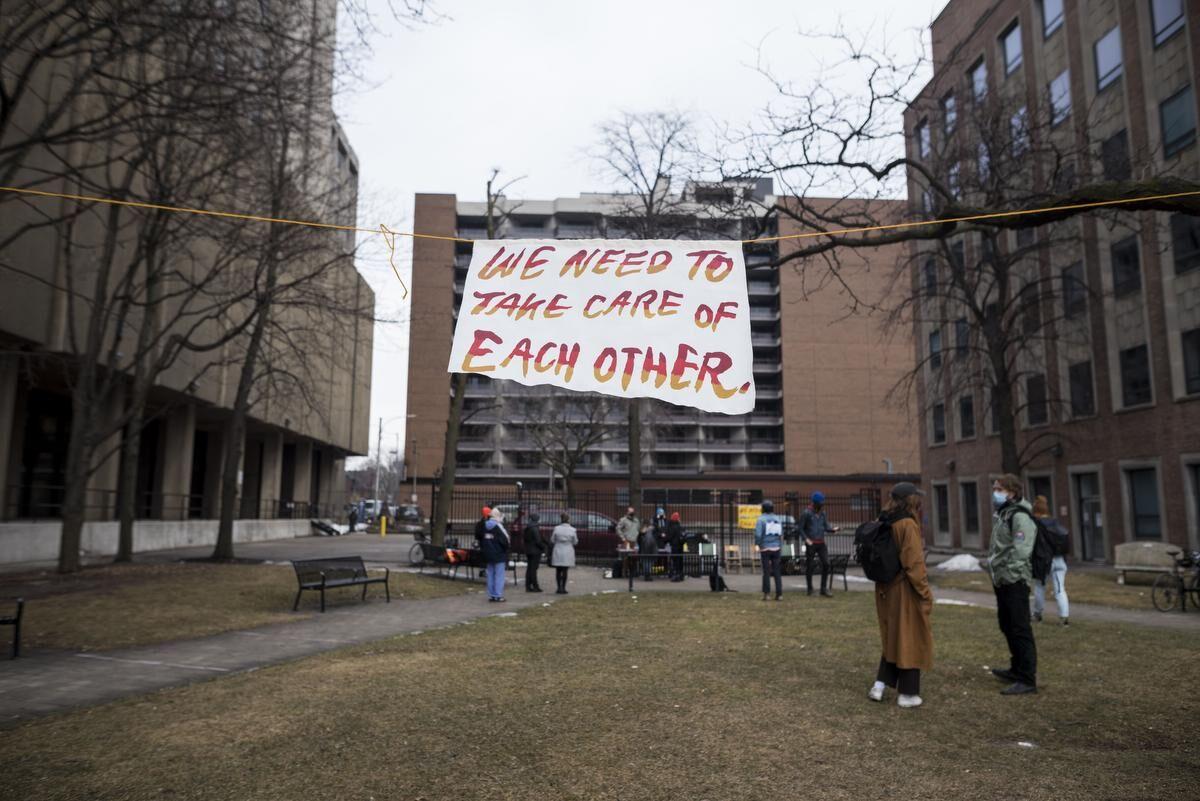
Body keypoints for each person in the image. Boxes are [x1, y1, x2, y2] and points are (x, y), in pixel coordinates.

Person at [869, 482, 933, 708]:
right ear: (911, 500)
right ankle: (908, 693)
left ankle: (879, 685)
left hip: (884, 588)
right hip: (903, 589)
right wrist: (925, 593)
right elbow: (913, 563)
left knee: (892, 636)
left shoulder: (884, 519)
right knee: (910, 637)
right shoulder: (907, 524)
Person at [988, 474, 1039, 695]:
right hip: (1002, 579)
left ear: (1012, 492)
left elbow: (1022, 549)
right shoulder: (1004, 513)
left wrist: (1010, 573)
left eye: (999, 489)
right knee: (1007, 624)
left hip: (1014, 580)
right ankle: (1016, 668)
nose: (995, 493)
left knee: (1020, 628)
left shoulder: (1020, 516)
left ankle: (1027, 678)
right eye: (994, 488)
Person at [1030, 495, 1070, 626]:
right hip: (1059, 560)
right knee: (1060, 589)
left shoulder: (1035, 524)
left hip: (1043, 561)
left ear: (1035, 511)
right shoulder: (1055, 523)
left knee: (1039, 588)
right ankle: (1064, 618)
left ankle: (1037, 615)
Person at [800, 491, 839, 597]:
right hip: (811, 543)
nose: (822, 505)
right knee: (810, 565)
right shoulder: (806, 513)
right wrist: (806, 539)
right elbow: (800, 528)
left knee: (826, 564)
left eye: (822, 503)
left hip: (821, 543)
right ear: (814, 503)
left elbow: (826, 527)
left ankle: (823, 588)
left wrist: (833, 530)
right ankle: (810, 589)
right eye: (820, 503)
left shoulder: (823, 514)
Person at [754, 500, 784, 601]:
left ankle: (766, 594)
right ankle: (779, 594)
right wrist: (780, 545)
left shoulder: (761, 519)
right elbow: (781, 534)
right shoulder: (778, 519)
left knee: (766, 571)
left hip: (765, 548)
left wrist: (758, 544)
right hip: (776, 548)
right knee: (777, 571)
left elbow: (758, 534)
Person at [479, 507, 510, 602]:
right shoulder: (498, 526)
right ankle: (497, 595)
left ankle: (491, 595)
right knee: (499, 575)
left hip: (488, 554)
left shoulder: (484, 526)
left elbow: (480, 538)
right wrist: (505, 550)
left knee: (490, 575)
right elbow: (505, 540)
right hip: (499, 554)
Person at [550, 512, 578, 594]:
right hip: (568, 550)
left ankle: (559, 587)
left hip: (558, 549)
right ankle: (563, 588)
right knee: (565, 570)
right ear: (568, 519)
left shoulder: (556, 528)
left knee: (558, 570)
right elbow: (575, 541)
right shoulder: (573, 529)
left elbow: (552, 540)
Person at [523, 513, 545, 593]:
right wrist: (543, 547)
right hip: (535, 551)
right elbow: (538, 540)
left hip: (529, 550)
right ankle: (535, 586)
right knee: (533, 569)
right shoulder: (535, 528)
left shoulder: (528, 527)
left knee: (529, 568)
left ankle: (528, 586)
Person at [666, 512, 685, 581]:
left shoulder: (672, 526)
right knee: (680, 561)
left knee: (675, 561)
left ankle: (676, 575)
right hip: (680, 546)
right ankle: (680, 574)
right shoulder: (680, 526)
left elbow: (669, 536)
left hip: (674, 546)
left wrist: (665, 539)